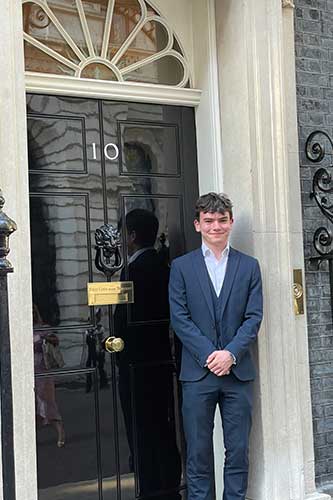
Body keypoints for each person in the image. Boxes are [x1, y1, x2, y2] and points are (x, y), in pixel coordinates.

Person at [168, 193, 263, 500]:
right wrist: (211, 355)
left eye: (222, 220)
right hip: (198, 375)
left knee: (237, 454)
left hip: (238, 375)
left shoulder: (249, 267)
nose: (216, 227)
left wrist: (231, 354)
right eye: (208, 221)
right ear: (198, 225)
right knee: (197, 456)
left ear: (231, 222)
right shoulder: (181, 267)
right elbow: (179, 318)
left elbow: (253, 317)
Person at [115, 208, 181, 499]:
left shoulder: (132, 271)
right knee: (163, 425)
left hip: (135, 365)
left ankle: (150, 486)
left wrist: (118, 352)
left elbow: (124, 322)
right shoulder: (166, 268)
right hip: (161, 361)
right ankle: (168, 484)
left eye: (122, 234)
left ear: (131, 237)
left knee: (140, 429)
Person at [33, 304, 65, 448]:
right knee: (33, 406)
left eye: (33, 312)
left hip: (43, 370)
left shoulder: (43, 328)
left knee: (47, 402)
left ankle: (60, 432)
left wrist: (47, 339)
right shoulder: (19, 327)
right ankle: (33, 439)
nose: (31, 315)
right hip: (28, 371)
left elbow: (55, 341)